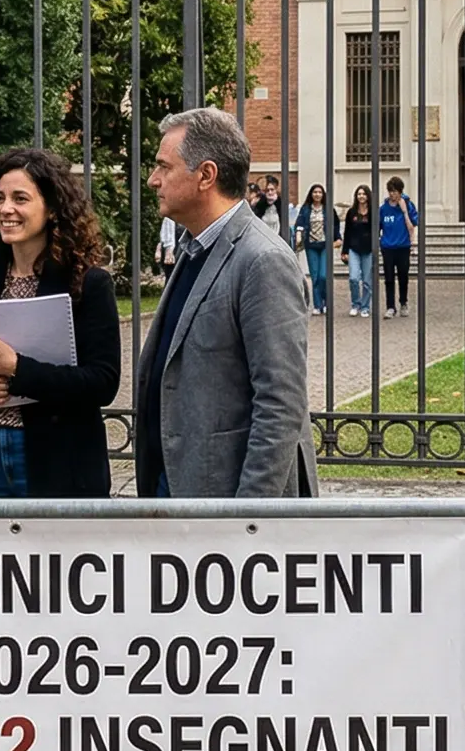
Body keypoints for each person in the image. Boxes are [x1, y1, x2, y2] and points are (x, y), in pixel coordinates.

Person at [134, 107, 315, 499]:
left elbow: (281, 402)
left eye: (164, 166)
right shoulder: (193, 248)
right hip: (180, 488)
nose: (153, 180)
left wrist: (248, 516)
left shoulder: (262, 260)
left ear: (206, 175)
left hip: (229, 505)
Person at [0, 148, 119, 499]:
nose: (6, 210)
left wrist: (17, 369)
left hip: (59, 460)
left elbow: (102, 382)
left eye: (20, 199)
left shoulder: (88, 283)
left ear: (51, 209)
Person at [377, 176, 418, 318]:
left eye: (395, 191)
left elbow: (412, 226)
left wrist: (405, 211)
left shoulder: (409, 206)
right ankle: (390, 306)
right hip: (388, 247)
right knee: (388, 278)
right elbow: (378, 227)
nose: (392, 194)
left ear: (400, 192)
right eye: (390, 191)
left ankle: (403, 302)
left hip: (403, 246)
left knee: (403, 276)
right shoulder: (383, 209)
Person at [293, 184, 335, 316]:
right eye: (315, 192)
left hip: (325, 245)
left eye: (319, 192)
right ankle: (317, 305)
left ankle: (326, 302)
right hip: (311, 246)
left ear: (323, 195)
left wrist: (337, 239)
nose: (317, 194)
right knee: (315, 276)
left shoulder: (328, 209)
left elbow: (335, 225)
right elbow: (299, 224)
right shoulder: (306, 209)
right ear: (311, 194)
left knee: (323, 276)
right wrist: (299, 235)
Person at [341, 184, 376, 318]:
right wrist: (344, 251)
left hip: (368, 250)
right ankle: (356, 304)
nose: (361, 196)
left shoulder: (373, 212)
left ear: (368, 196)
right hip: (353, 249)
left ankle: (365, 307)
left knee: (367, 281)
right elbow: (347, 232)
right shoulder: (351, 212)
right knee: (354, 278)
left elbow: (376, 230)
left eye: (364, 194)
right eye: (359, 194)